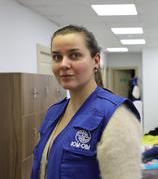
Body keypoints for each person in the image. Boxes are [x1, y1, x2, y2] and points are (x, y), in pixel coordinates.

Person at [31, 25, 142, 179]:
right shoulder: (53, 113)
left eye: (74, 55)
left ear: (95, 61)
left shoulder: (116, 116)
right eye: (57, 57)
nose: (63, 64)